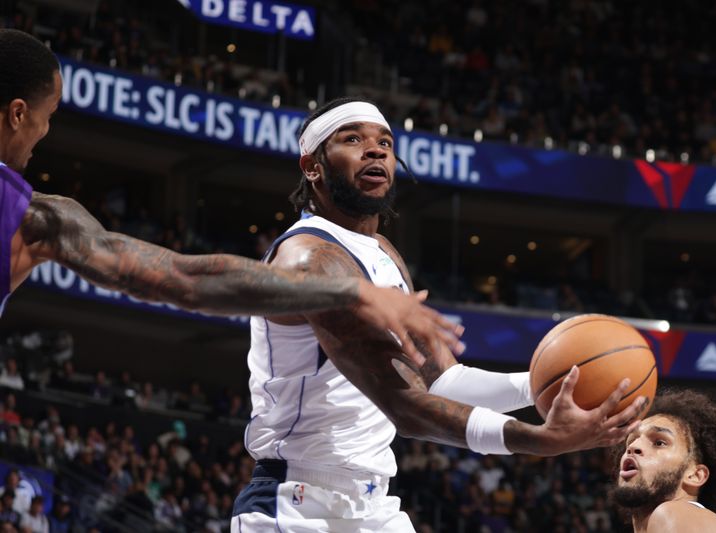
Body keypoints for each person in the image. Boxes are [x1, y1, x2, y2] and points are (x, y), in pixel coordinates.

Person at [231, 97, 646, 531]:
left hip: (374, 505)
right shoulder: (308, 258)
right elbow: (404, 405)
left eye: (385, 143)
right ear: (312, 166)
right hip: (298, 505)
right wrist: (538, 440)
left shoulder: (384, 253)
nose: (376, 151)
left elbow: (441, 382)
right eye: (352, 139)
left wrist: (551, 381)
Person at [0, 29, 461, 365]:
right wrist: (354, 290)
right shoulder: (33, 217)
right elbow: (186, 279)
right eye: (49, 114)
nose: (45, 131)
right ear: (18, 114)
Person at [611, 389, 716, 532]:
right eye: (631, 440)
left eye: (659, 443)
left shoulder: (671, 514)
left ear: (695, 475)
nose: (633, 447)